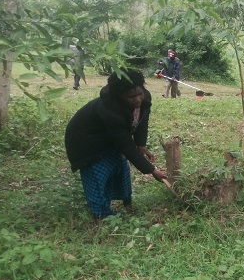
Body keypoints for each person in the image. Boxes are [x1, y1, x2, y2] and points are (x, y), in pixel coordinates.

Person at [65, 69, 168, 220]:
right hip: (86, 144)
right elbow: (125, 145)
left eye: (140, 93)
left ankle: (126, 205)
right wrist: (152, 170)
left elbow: (142, 120)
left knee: (120, 169)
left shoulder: (144, 99)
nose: (138, 99)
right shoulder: (109, 109)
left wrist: (141, 144)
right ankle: (101, 217)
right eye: (131, 97)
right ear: (119, 96)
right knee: (97, 176)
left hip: (109, 139)